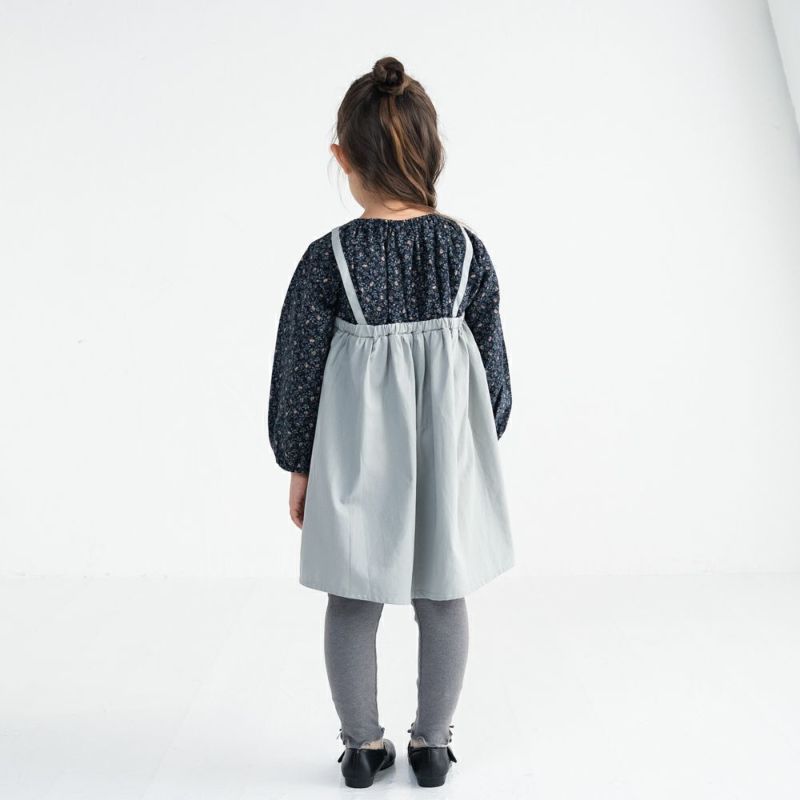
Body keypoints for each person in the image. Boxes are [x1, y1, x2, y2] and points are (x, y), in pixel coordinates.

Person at [267, 55, 514, 789]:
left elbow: (299, 370)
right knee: (444, 595)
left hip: (355, 459)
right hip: (446, 457)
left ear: (342, 157)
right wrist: (479, 442)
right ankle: (432, 745)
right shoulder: (465, 251)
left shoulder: (329, 259)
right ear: (434, 152)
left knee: (353, 594)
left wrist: (298, 460)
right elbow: (493, 370)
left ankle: (361, 747)